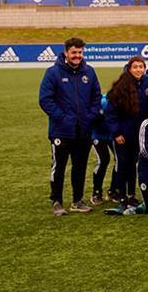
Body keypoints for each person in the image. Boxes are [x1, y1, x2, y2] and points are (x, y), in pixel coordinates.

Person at [39, 37, 102, 215]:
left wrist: (89, 117)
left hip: (83, 131)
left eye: (80, 52)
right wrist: (63, 118)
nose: (77, 56)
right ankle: (57, 201)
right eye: (74, 52)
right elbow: (45, 100)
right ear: (66, 52)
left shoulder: (89, 72)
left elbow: (96, 98)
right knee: (59, 167)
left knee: (80, 166)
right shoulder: (53, 72)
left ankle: (77, 200)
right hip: (61, 130)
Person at [104, 56, 148, 210]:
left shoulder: (146, 82)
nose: (139, 70)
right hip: (122, 136)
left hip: (137, 135)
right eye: (135, 67)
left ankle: (131, 195)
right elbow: (111, 113)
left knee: (133, 165)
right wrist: (116, 133)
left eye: (141, 67)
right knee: (122, 164)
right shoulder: (121, 86)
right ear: (129, 69)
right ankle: (121, 195)